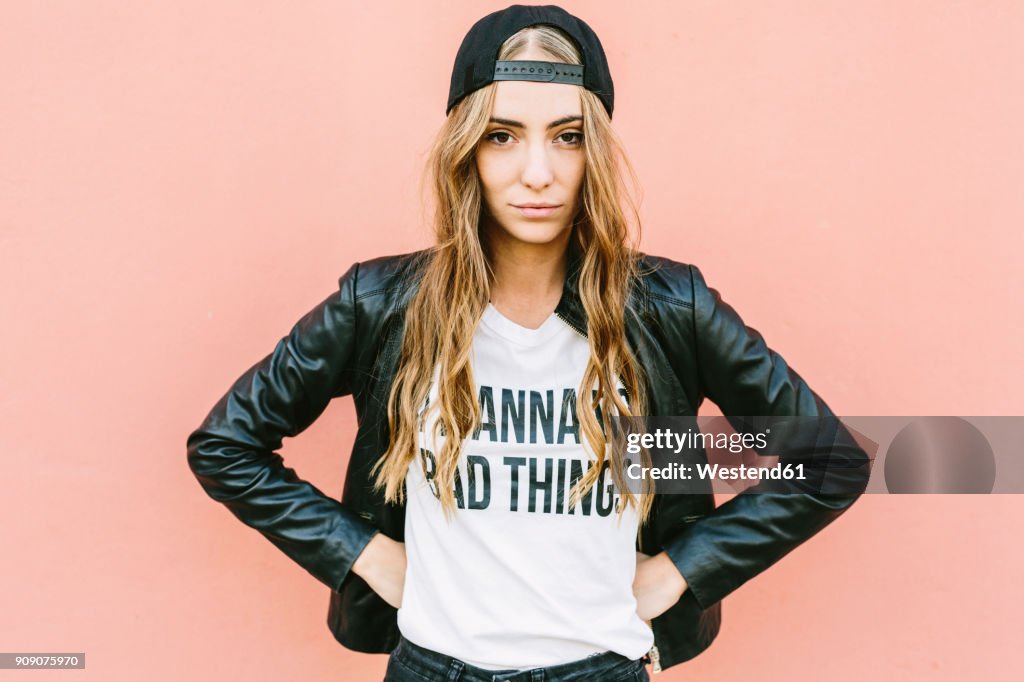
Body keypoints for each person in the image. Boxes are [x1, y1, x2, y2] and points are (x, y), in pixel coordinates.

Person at [186, 5, 867, 680]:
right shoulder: (384, 304)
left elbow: (828, 459)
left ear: (594, 150)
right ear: (467, 150)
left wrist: (680, 568)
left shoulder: (666, 309)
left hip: (599, 668)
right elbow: (225, 445)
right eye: (503, 136)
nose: (537, 172)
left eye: (567, 136)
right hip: (431, 667)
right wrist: (362, 552)